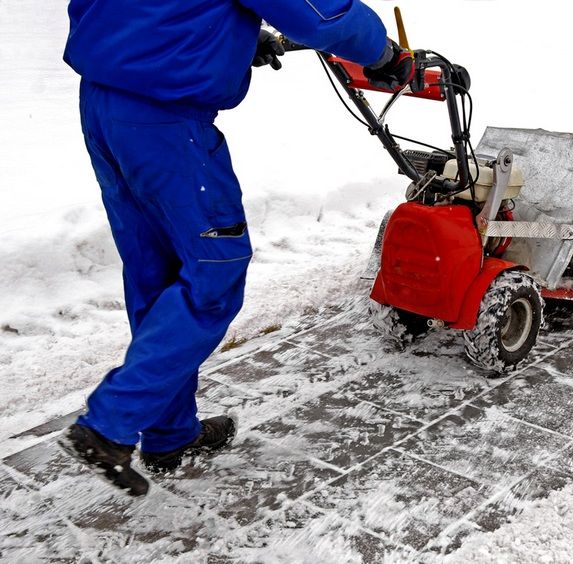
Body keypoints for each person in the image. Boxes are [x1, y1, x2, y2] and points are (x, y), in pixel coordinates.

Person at [58, 0, 414, 496]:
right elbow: (319, 13)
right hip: (165, 120)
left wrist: (227, 38)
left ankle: (169, 434)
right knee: (213, 273)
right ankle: (111, 423)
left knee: (156, 271)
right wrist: (383, 53)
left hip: (103, 100)